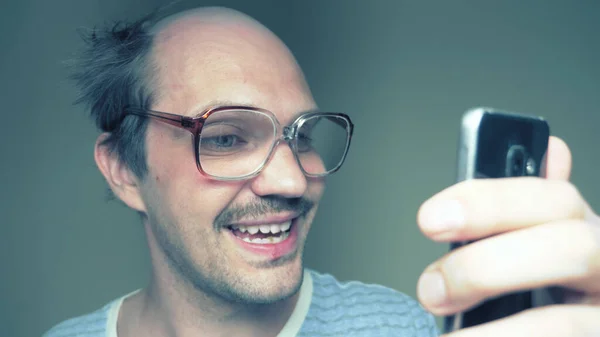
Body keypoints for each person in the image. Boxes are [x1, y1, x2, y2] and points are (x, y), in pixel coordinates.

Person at [43, 5, 600, 337]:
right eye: (227, 138)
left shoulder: (402, 329)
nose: (291, 181)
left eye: (303, 135)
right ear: (122, 169)